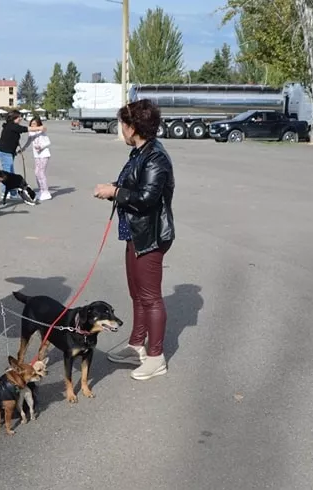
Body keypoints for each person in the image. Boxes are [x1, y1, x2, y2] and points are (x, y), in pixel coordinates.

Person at [93, 99, 175, 382]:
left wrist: (114, 193)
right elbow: (133, 186)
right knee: (137, 295)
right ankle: (136, 345)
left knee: (151, 298)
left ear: (133, 127)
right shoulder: (140, 153)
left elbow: (147, 198)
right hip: (136, 234)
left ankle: (156, 357)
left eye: (123, 124)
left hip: (150, 237)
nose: (122, 130)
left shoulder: (156, 158)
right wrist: (114, 188)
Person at [0, 110, 43, 200]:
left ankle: (13, 193)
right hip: (5, 153)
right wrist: (39, 128)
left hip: (8, 152)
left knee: (11, 174)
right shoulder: (11, 126)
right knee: (7, 174)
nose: (20, 118)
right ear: (14, 118)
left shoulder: (11, 126)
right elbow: (24, 129)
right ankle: (5, 192)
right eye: (19, 117)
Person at [18, 116, 53, 201]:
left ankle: (46, 192)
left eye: (34, 124)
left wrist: (41, 146)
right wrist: (23, 149)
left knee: (41, 172)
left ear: (38, 124)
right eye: (31, 124)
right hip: (37, 155)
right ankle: (41, 190)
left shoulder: (41, 132)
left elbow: (48, 142)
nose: (33, 125)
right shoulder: (31, 133)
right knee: (37, 172)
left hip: (44, 154)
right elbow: (29, 142)